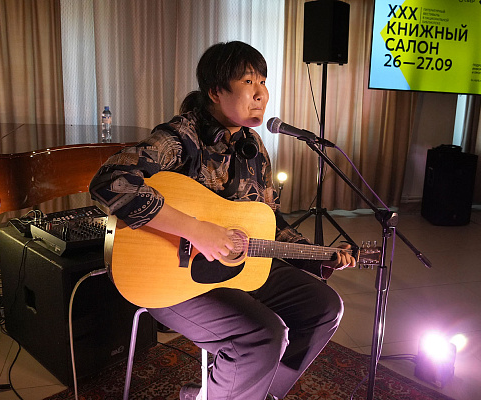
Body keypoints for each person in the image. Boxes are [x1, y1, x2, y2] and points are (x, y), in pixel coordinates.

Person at [89, 41, 354, 400]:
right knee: (262, 335)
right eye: (249, 82)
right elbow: (109, 181)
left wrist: (317, 255)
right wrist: (196, 230)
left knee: (324, 307)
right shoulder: (180, 137)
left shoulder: (253, 146)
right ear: (215, 91)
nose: (261, 94)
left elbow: (268, 221)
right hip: (172, 277)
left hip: (238, 269)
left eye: (263, 82)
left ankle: (246, 393)